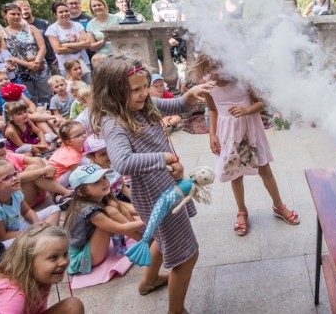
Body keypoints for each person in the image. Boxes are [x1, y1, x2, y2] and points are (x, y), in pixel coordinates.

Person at [90, 55, 215, 314]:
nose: (144, 93)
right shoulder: (114, 122)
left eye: (145, 85)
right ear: (112, 94)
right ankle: (176, 310)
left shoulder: (144, 104)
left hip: (164, 186)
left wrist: (190, 95)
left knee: (158, 235)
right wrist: (164, 158)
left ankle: (148, 281)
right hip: (156, 195)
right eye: (135, 89)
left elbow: (176, 105)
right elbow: (122, 161)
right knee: (187, 256)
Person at [195, 54, 299, 237]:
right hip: (227, 134)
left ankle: (279, 206)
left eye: (218, 69)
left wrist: (246, 110)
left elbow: (262, 102)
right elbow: (212, 109)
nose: (214, 75)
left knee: (265, 170)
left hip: (250, 129)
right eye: (210, 70)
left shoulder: (244, 78)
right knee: (235, 174)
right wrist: (212, 135)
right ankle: (242, 211)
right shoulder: (207, 84)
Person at [0, 223, 85, 314]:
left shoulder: (41, 280)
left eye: (65, 254)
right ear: (28, 263)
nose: (64, 261)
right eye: (53, 257)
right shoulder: (11, 296)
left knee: (72, 306)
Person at [64, 164, 143, 275]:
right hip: (83, 258)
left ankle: (144, 236)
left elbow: (128, 208)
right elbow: (121, 228)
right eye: (96, 181)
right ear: (81, 192)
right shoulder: (87, 210)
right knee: (110, 212)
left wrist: (150, 210)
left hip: (91, 246)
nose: (104, 182)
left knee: (113, 205)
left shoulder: (100, 196)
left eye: (104, 177)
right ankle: (145, 241)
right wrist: (146, 220)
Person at [0, 159, 61, 248]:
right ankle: (44, 240)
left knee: (54, 209)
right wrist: (30, 232)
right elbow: (2, 236)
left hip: (17, 229)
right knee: (24, 243)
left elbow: (26, 211)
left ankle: (45, 238)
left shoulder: (15, 192)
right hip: (0, 242)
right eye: (7, 178)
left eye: (15, 174)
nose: (15, 178)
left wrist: (37, 223)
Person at [0, 133, 70, 209]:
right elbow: (15, 179)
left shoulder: (9, 156)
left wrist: (49, 166)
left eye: (0, 145)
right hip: (19, 203)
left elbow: (36, 160)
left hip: (35, 194)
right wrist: (42, 171)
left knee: (37, 162)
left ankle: (56, 195)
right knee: (32, 169)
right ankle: (65, 194)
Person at [1, 3, 53, 106]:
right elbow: (6, 55)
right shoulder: (2, 33)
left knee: (47, 96)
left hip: (40, 68)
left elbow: (42, 47)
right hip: (21, 72)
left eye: (18, 14)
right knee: (29, 99)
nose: (16, 16)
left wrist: (36, 63)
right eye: (13, 14)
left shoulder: (31, 28)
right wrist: (27, 64)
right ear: (4, 15)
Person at [45, 1, 91, 83]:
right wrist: (79, 46)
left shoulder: (78, 25)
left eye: (66, 11)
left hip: (83, 63)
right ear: (55, 14)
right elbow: (58, 50)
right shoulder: (52, 29)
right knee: (71, 90)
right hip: (66, 67)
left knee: (88, 88)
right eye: (61, 12)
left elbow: (87, 43)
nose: (64, 13)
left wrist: (66, 45)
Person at [13, 0, 57, 72]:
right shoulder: (15, 29)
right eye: (20, 10)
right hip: (33, 65)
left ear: (30, 8)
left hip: (52, 61)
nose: (24, 11)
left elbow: (54, 39)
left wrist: (57, 55)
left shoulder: (44, 23)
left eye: (26, 8)